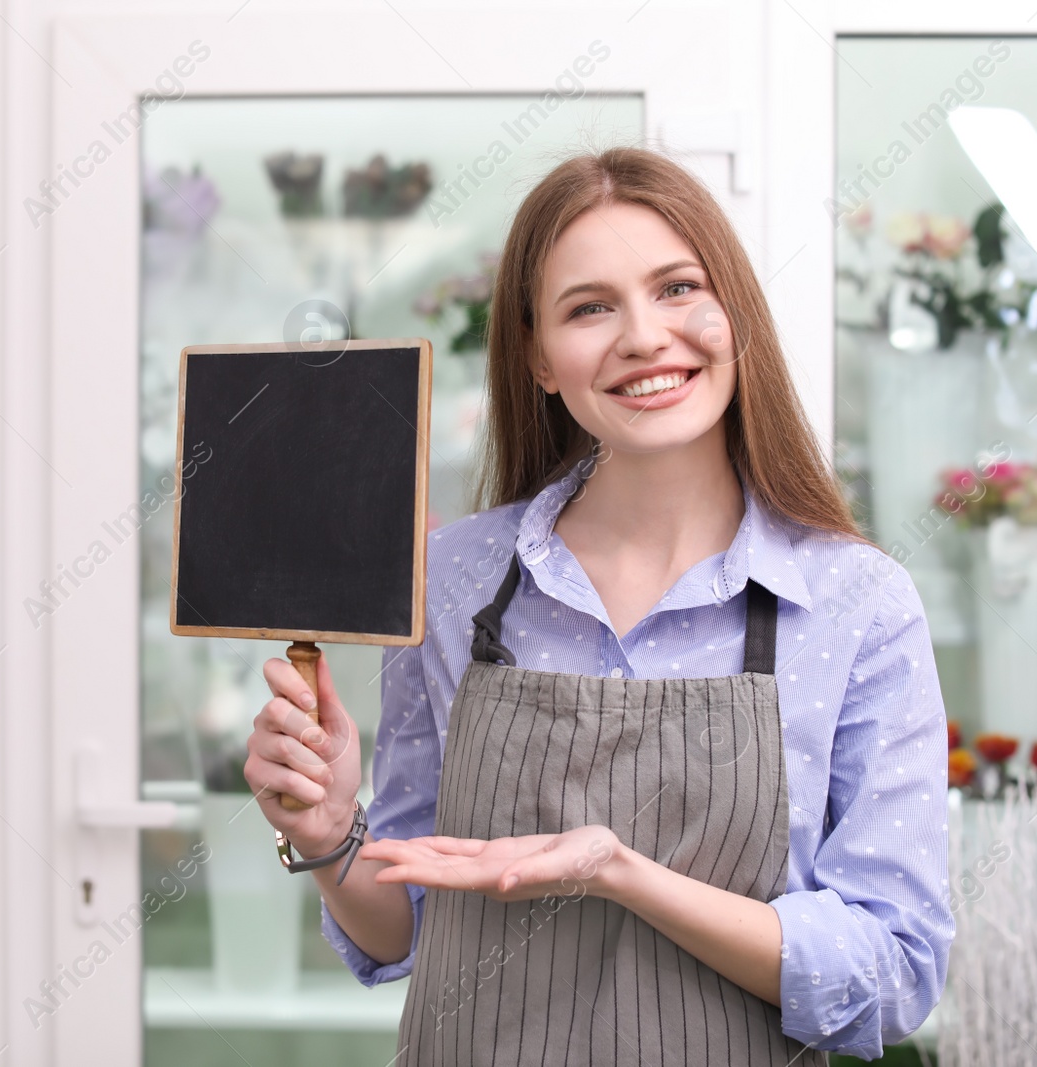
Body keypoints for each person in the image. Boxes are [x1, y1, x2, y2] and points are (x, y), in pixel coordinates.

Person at [244, 146, 953, 1064]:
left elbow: (892, 974)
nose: (645, 337)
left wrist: (619, 872)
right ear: (539, 355)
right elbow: (408, 926)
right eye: (589, 308)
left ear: (733, 311)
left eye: (677, 288)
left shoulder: (856, 604)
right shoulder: (453, 578)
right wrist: (331, 832)